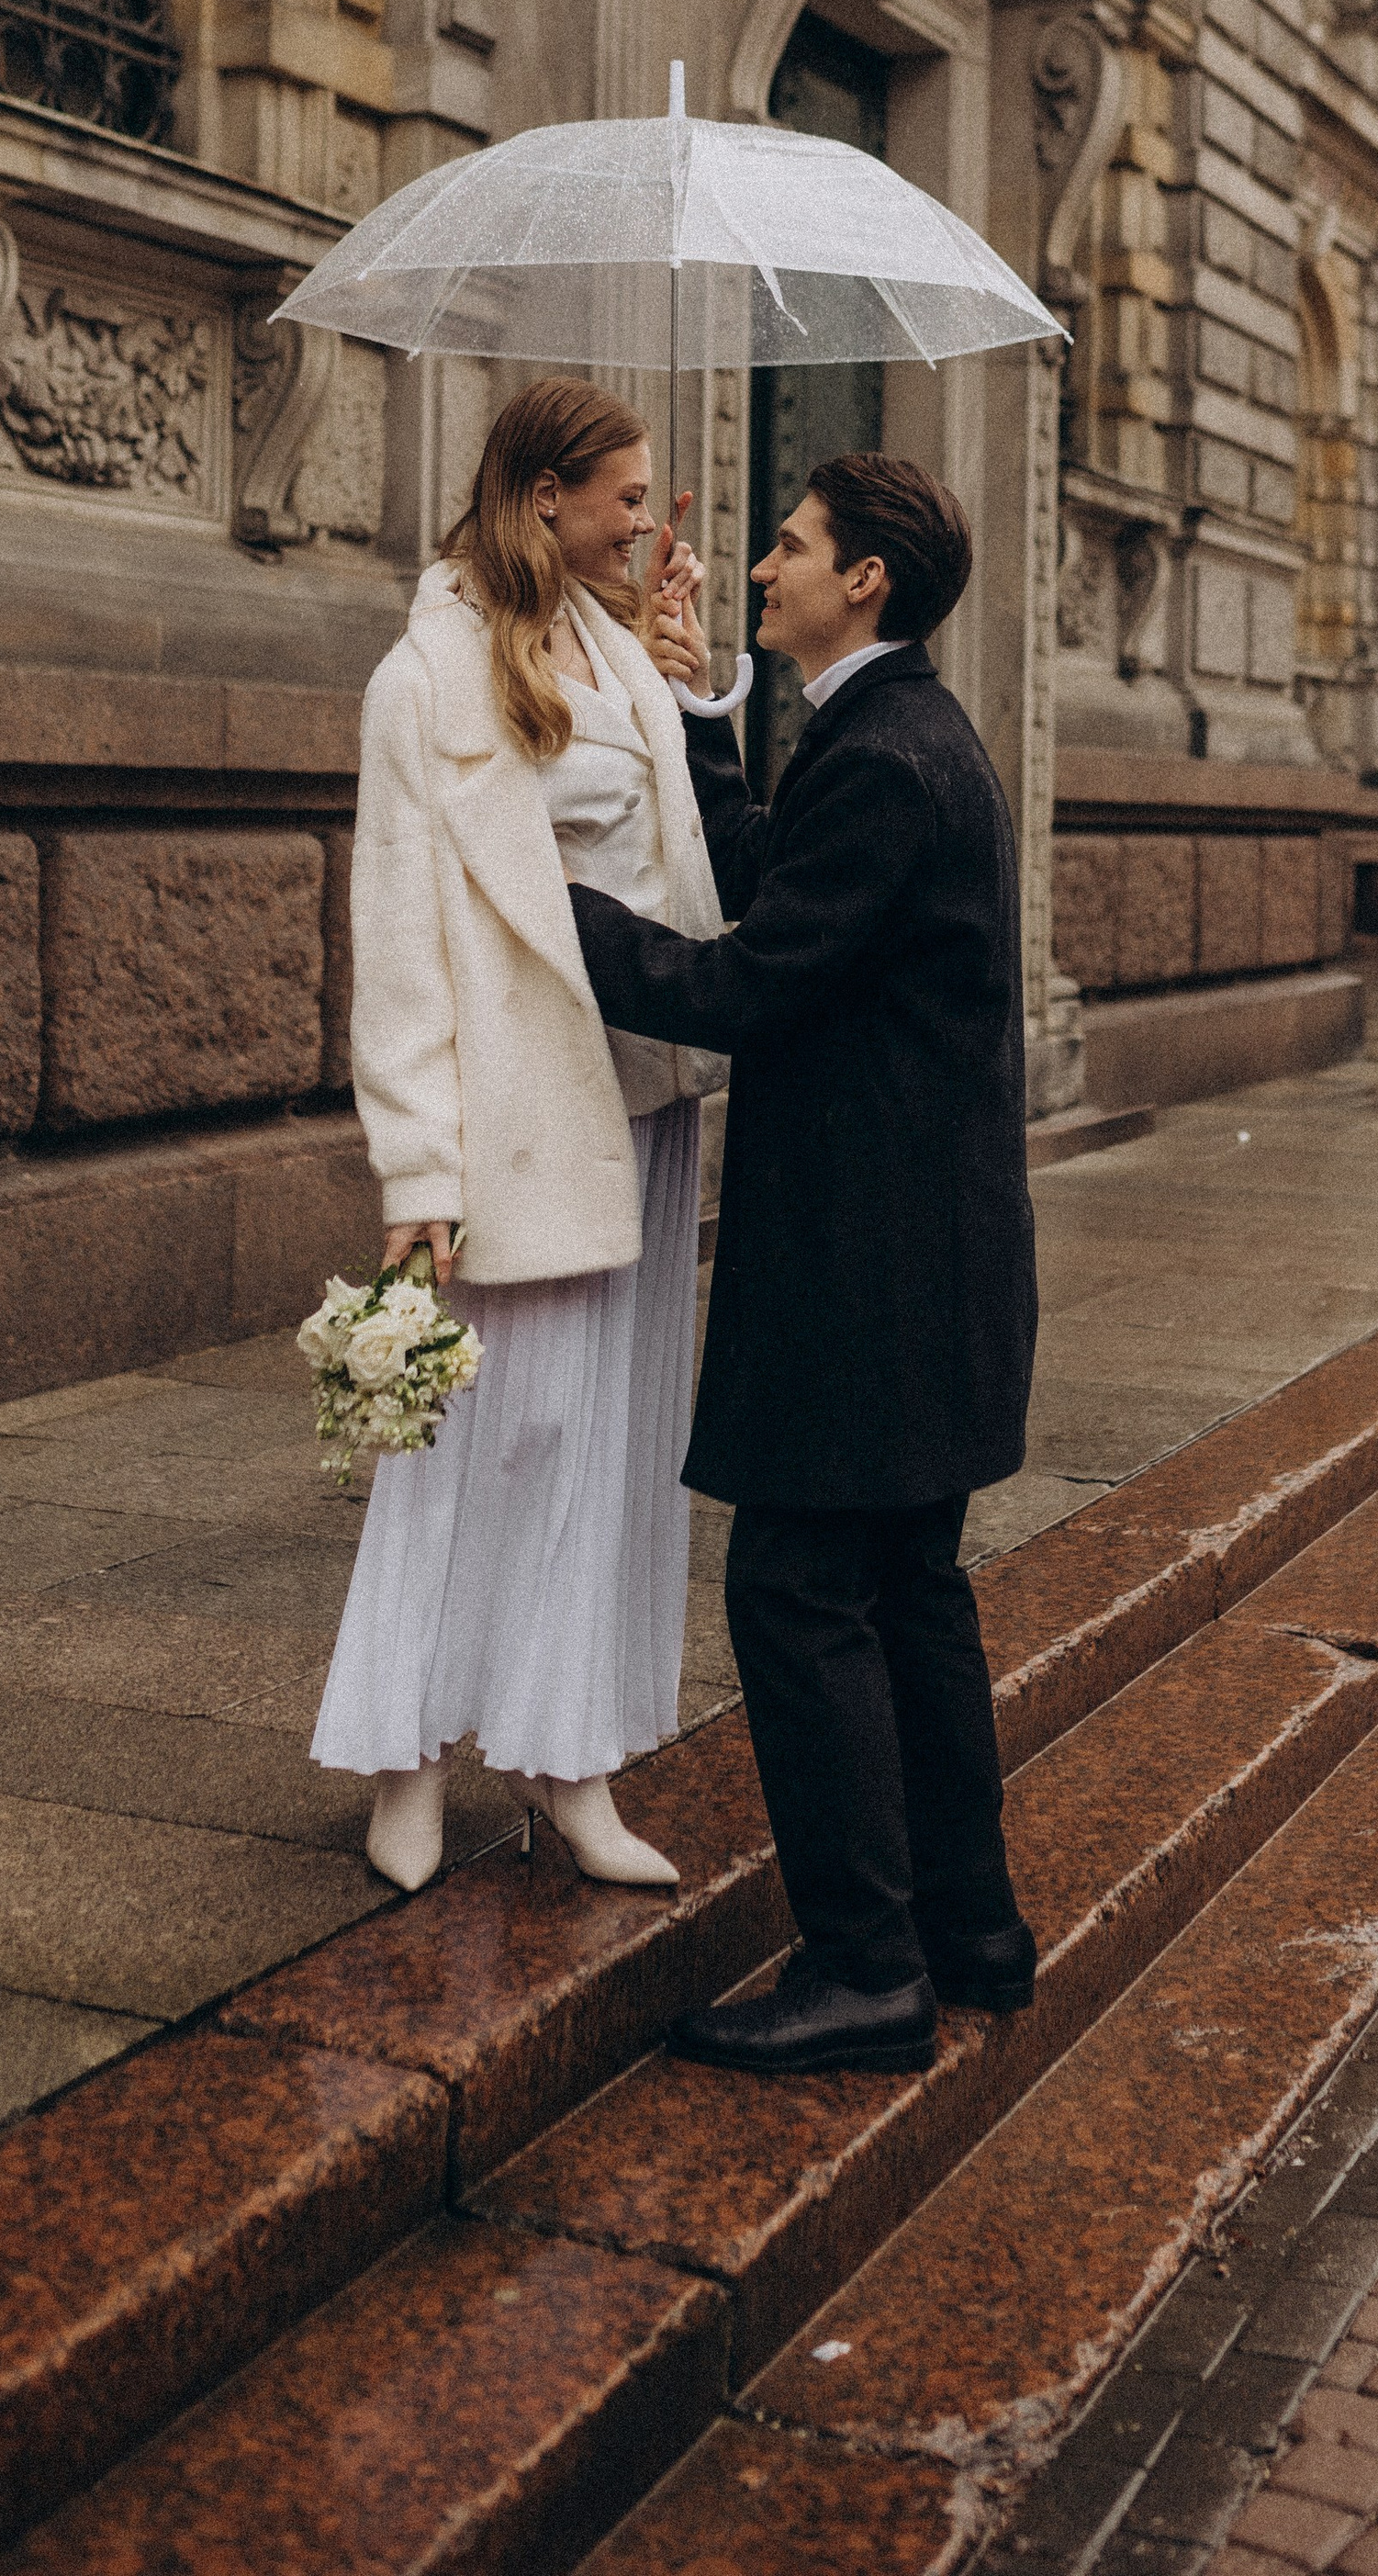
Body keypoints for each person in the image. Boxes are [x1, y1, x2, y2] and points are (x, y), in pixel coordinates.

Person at [566, 453, 1039, 2076]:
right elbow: (784, 880)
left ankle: (862, 1968)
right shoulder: (894, 740)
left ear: (868, 584)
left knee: (796, 1590)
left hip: (871, 1280)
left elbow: (752, 981)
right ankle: (970, 1934)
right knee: (910, 1591)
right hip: (930, 1269)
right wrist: (704, 723)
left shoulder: (891, 760)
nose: (756, 568)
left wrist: (543, 908)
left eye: (790, 546)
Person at [310, 377, 726, 1894]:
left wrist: (696, 691)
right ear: (545, 497)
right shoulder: (421, 681)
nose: (649, 522)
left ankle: (571, 1764)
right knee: (486, 1443)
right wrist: (415, 1164)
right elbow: (403, 942)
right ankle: (408, 1762)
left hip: (647, 1107)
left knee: (612, 1453)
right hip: (519, 1117)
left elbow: (678, 865)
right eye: (626, 496)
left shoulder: (626, 653)